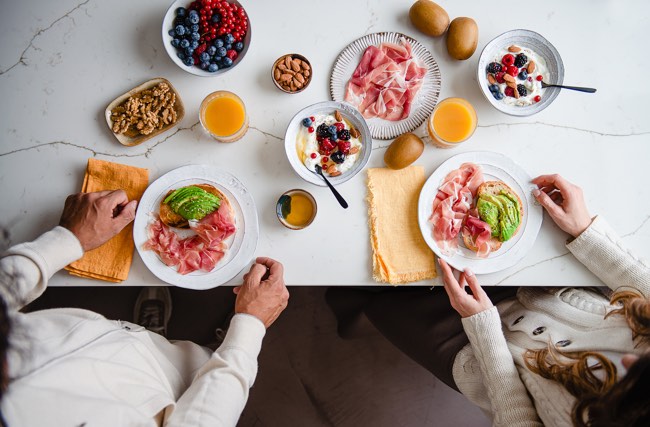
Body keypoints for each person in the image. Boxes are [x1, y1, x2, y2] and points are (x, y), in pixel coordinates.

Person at [326, 174, 650, 426]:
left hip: (480, 355)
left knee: (384, 307)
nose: (628, 360)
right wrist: (586, 233)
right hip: (540, 290)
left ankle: (354, 319)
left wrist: (482, 326)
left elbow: (515, 420)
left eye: (628, 384)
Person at [0, 190, 290, 427]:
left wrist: (67, 238)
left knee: (145, 342)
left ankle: (149, 333)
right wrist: (249, 326)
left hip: (109, 337)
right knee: (209, 363)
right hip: (174, 390)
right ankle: (220, 345)